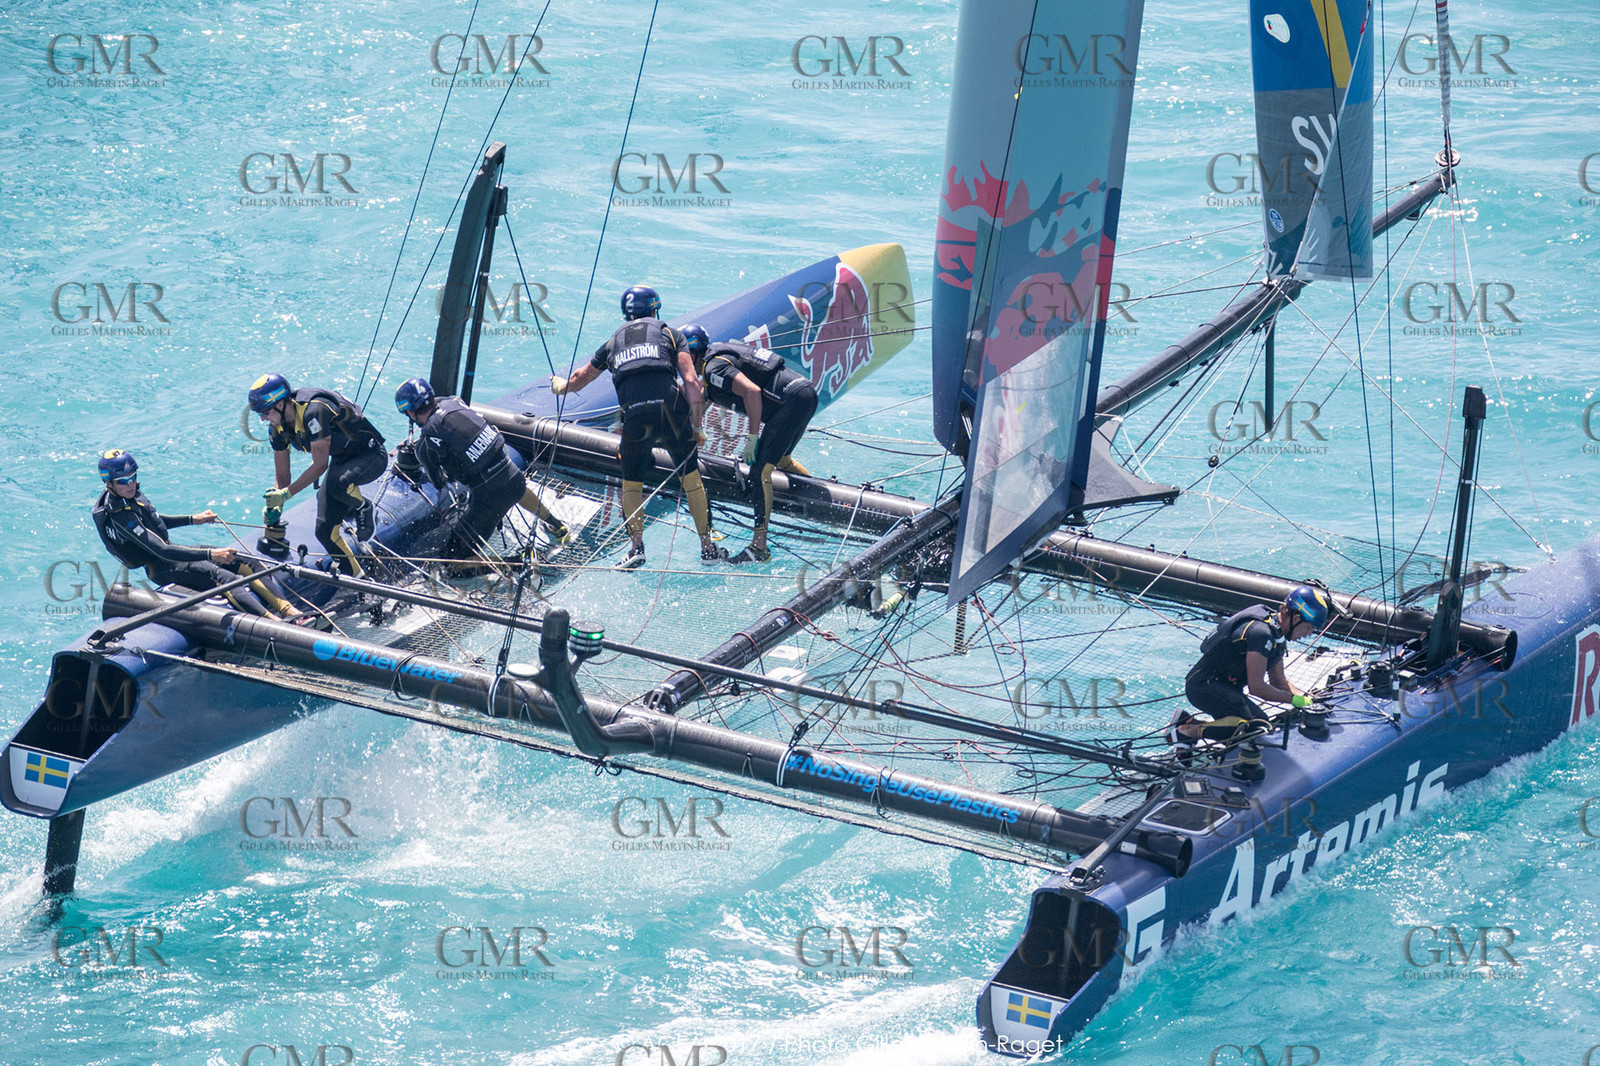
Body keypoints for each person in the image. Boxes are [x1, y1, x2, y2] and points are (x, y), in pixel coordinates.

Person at [550, 285, 726, 569]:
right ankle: (708, 547)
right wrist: (696, 425)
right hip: (671, 413)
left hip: (634, 417)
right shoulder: (670, 333)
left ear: (626, 314)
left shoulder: (613, 342)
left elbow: (583, 377)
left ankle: (636, 549)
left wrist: (562, 387)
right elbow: (691, 382)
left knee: (631, 483)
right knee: (690, 479)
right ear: (655, 309)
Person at [91, 449, 306, 622]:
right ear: (109, 483)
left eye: (132, 477)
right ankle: (272, 623)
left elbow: (154, 522)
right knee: (225, 578)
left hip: (172, 551)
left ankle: (290, 612)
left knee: (245, 561)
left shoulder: (130, 493)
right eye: (123, 481)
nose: (130, 484)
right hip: (163, 566)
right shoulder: (120, 516)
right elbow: (162, 550)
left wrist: (194, 519)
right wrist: (211, 554)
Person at [679, 323, 817, 564]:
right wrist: (694, 430)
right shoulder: (714, 364)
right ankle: (820, 503)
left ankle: (759, 547)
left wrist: (752, 439)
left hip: (790, 404)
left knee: (760, 472)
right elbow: (703, 400)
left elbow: (752, 392)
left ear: (692, 353)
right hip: (803, 395)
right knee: (781, 459)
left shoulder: (714, 367)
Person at [393, 377, 570, 562]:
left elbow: (439, 482)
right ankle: (558, 527)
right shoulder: (455, 402)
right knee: (512, 485)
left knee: (452, 560)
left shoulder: (426, 444)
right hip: (515, 481)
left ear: (410, 412)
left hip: (489, 502)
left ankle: (520, 562)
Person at [1166, 584, 1332, 764]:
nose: (1309, 634)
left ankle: (1185, 721)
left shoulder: (1276, 633)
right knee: (1256, 727)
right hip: (1203, 686)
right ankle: (1186, 732)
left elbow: (1279, 681)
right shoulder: (1261, 634)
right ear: (1297, 618)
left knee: (1259, 722)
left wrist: (1308, 700)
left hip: (1223, 687)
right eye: (1309, 628)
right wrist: (1294, 700)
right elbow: (1257, 688)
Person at [248, 373, 386, 578]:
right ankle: (360, 581)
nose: (262, 418)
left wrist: (286, 494)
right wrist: (277, 503)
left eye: (265, 412)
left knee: (337, 483)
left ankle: (363, 507)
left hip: (370, 455)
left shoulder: (315, 411)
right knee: (324, 531)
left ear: (281, 404)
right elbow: (283, 473)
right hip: (341, 462)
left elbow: (320, 465)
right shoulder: (276, 428)